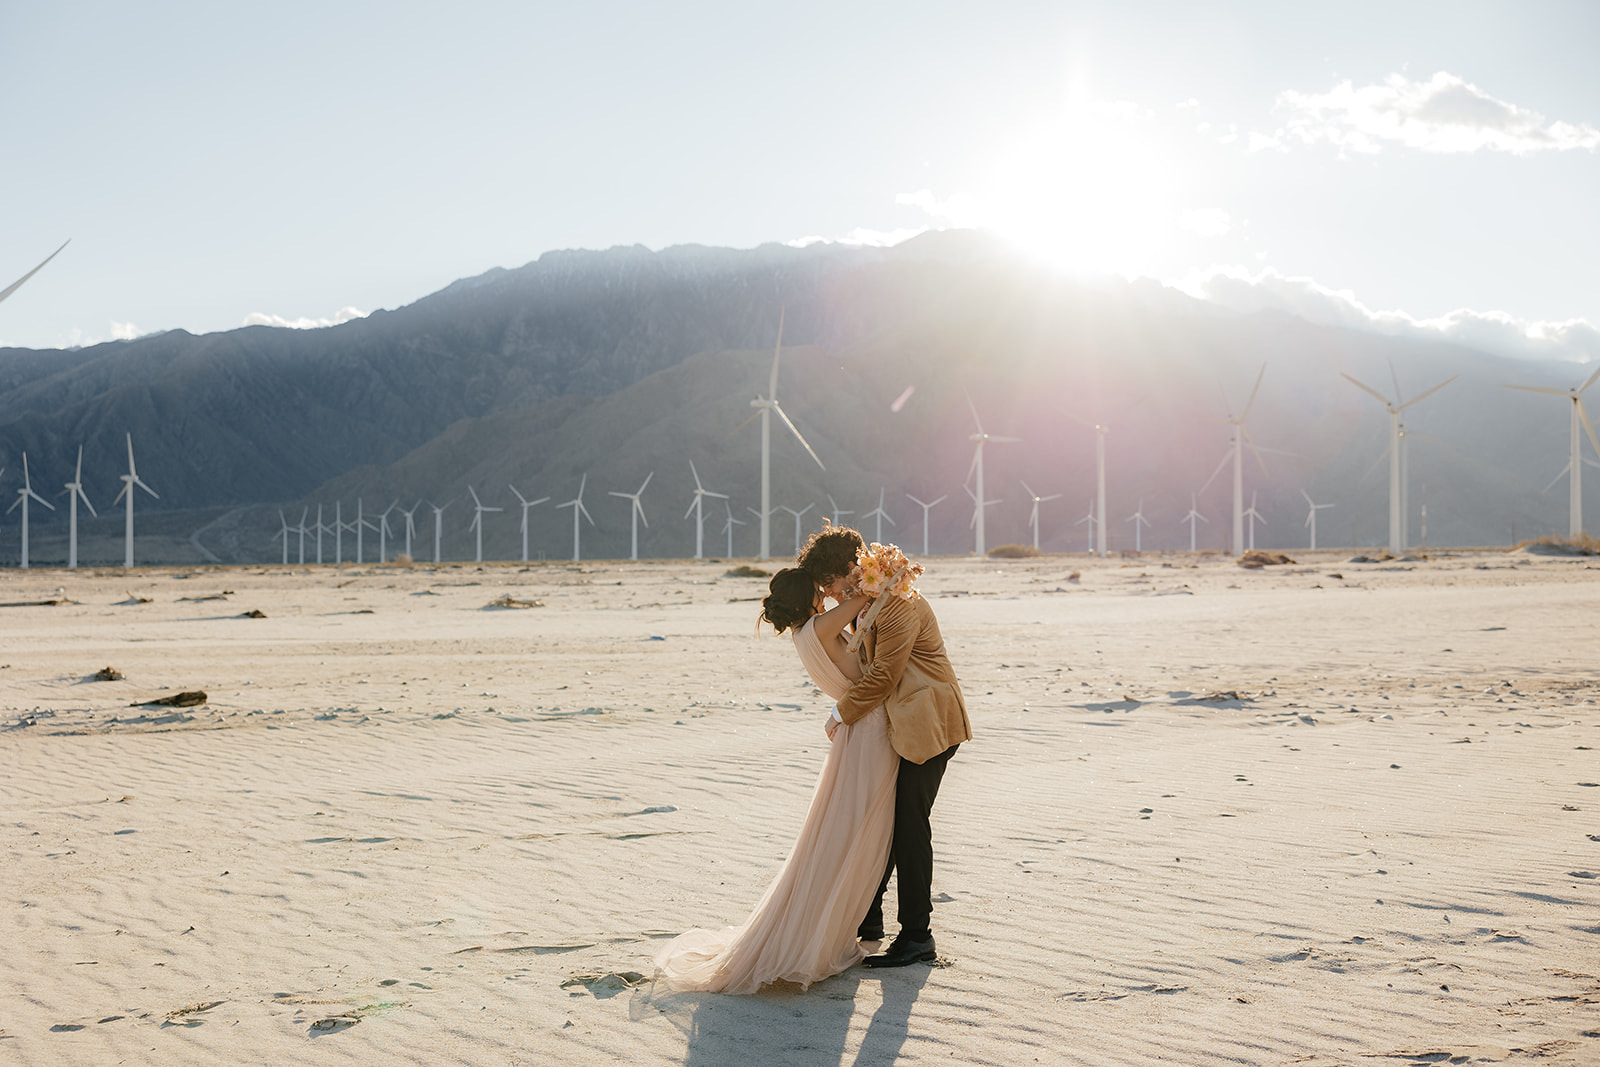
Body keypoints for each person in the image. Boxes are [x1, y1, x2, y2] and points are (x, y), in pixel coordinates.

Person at [652, 568, 899, 994]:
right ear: (810, 597)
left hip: (858, 730)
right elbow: (868, 599)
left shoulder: (805, 635)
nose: (827, 592)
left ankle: (840, 922)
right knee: (862, 830)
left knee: (845, 832)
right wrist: (879, 574)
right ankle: (830, 930)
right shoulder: (821, 625)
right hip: (869, 730)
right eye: (820, 588)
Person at [798, 525, 971, 969]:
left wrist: (841, 714)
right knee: (887, 822)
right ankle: (871, 919)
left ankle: (917, 936)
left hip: (929, 721)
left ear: (851, 572)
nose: (831, 595)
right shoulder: (867, 605)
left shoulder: (896, 602)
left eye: (831, 585)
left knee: (910, 826)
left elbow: (884, 676)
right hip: (903, 723)